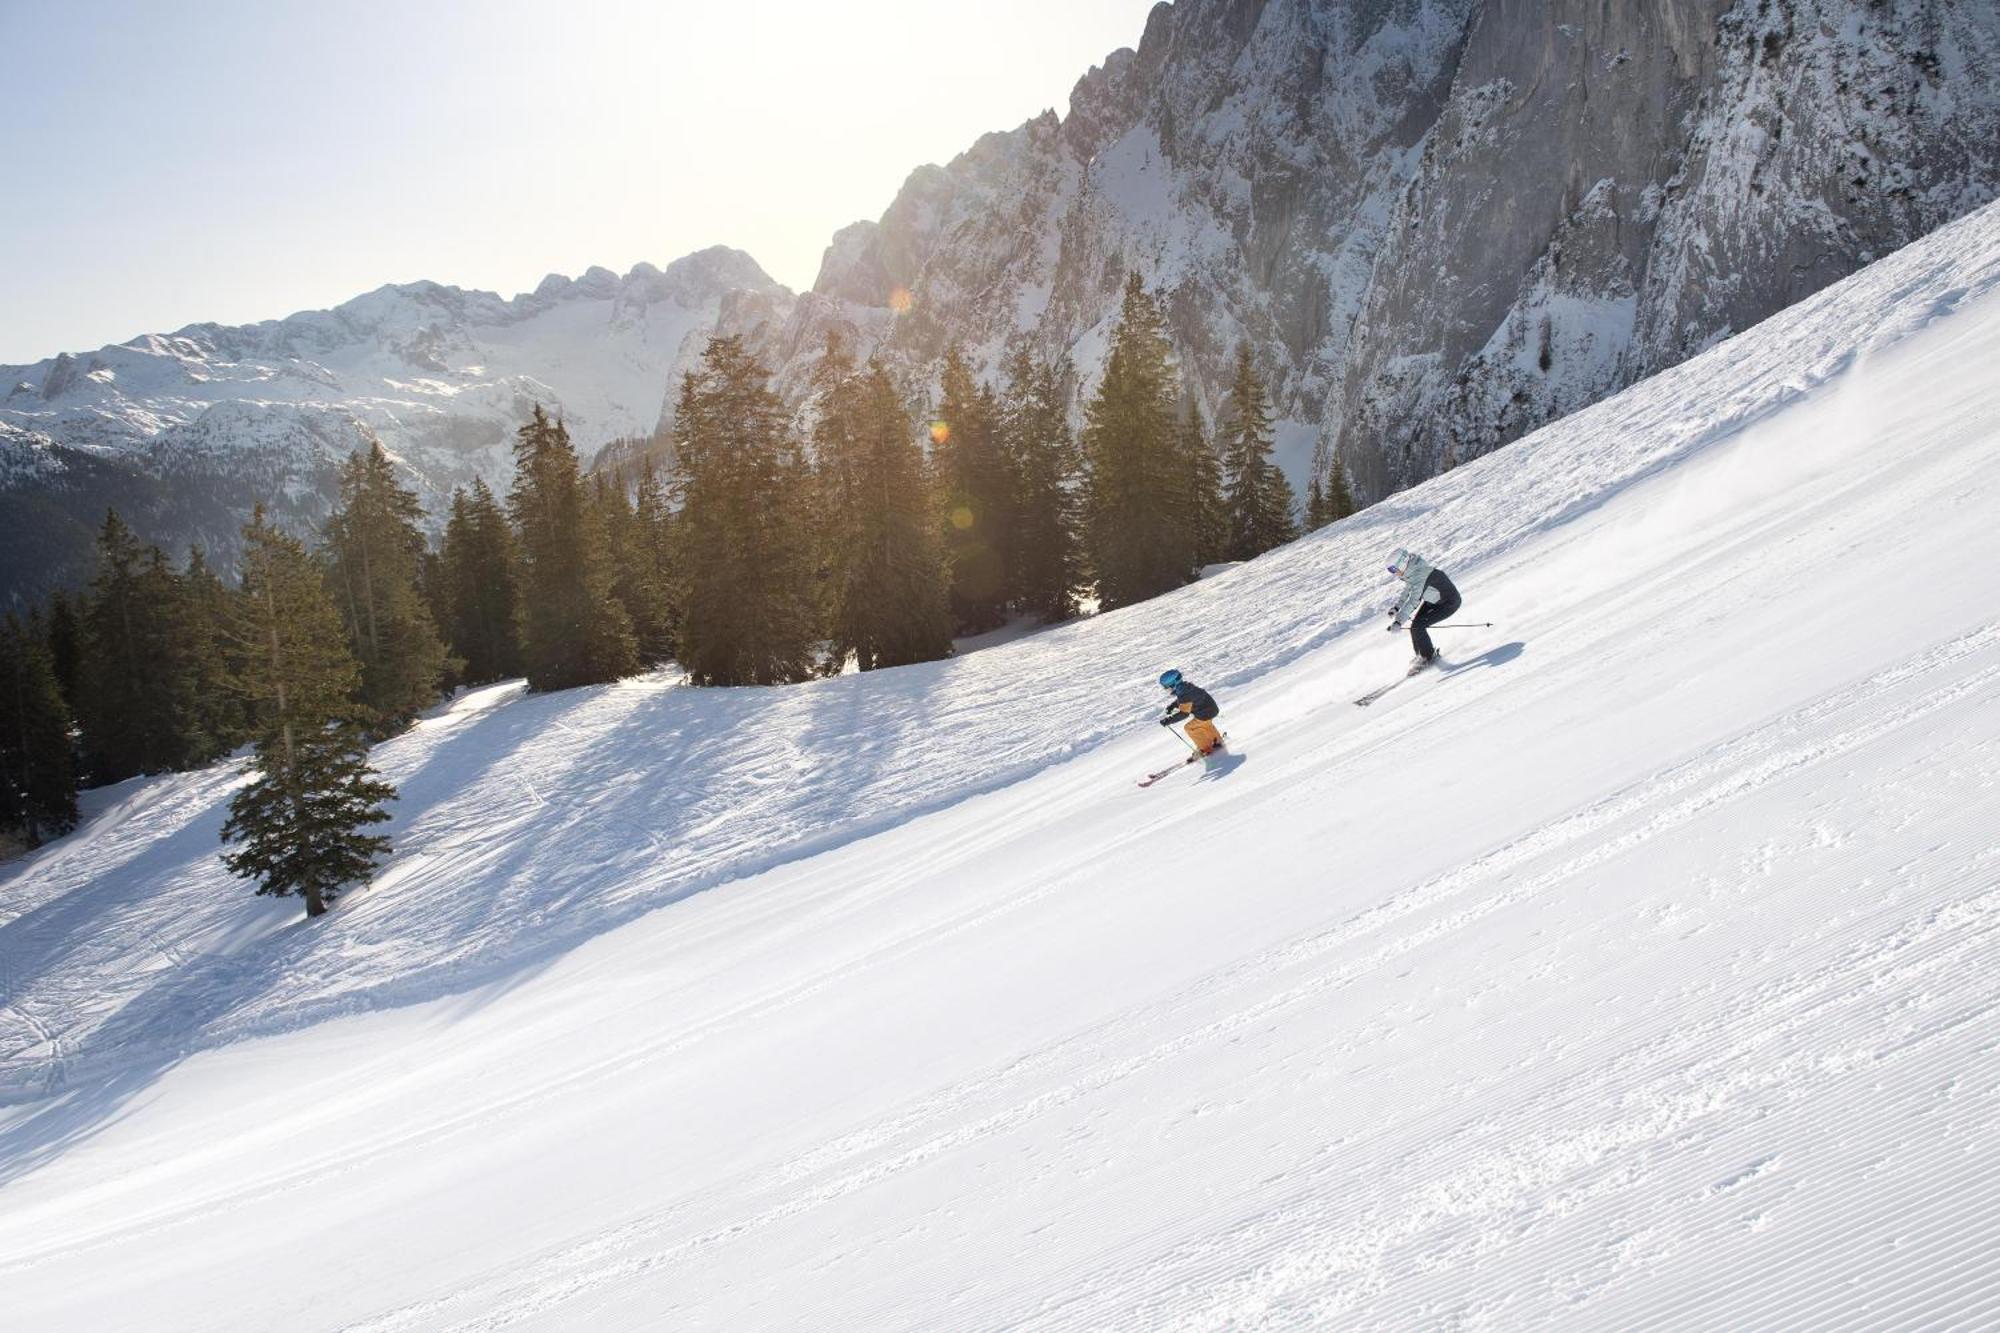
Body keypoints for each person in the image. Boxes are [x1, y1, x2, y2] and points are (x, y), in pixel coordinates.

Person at [1386, 548, 1461, 671]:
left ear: (1402, 563)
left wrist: (1399, 621)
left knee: (1418, 625)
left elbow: (1413, 600)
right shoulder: (1412, 571)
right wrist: (1397, 607)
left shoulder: (1419, 574)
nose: (1393, 573)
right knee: (1415, 626)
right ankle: (1421, 655)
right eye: (1390, 571)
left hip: (1449, 602)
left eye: (1393, 569)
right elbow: (1408, 590)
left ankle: (1428, 657)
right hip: (1435, 600)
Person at [1156, 669, 1225, 756]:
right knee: (1206, 725)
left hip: (1205, 713)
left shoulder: (1184, 694)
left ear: (1173, 685)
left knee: (1190, 728)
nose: (1167, 690)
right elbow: (1186, 700)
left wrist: (1168, 720)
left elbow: (1184, 714)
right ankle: (1217, 740)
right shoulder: (1186, 688)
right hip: (1211, 709)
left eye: (1167, 687)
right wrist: (1173, 705)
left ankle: (1205, 748)